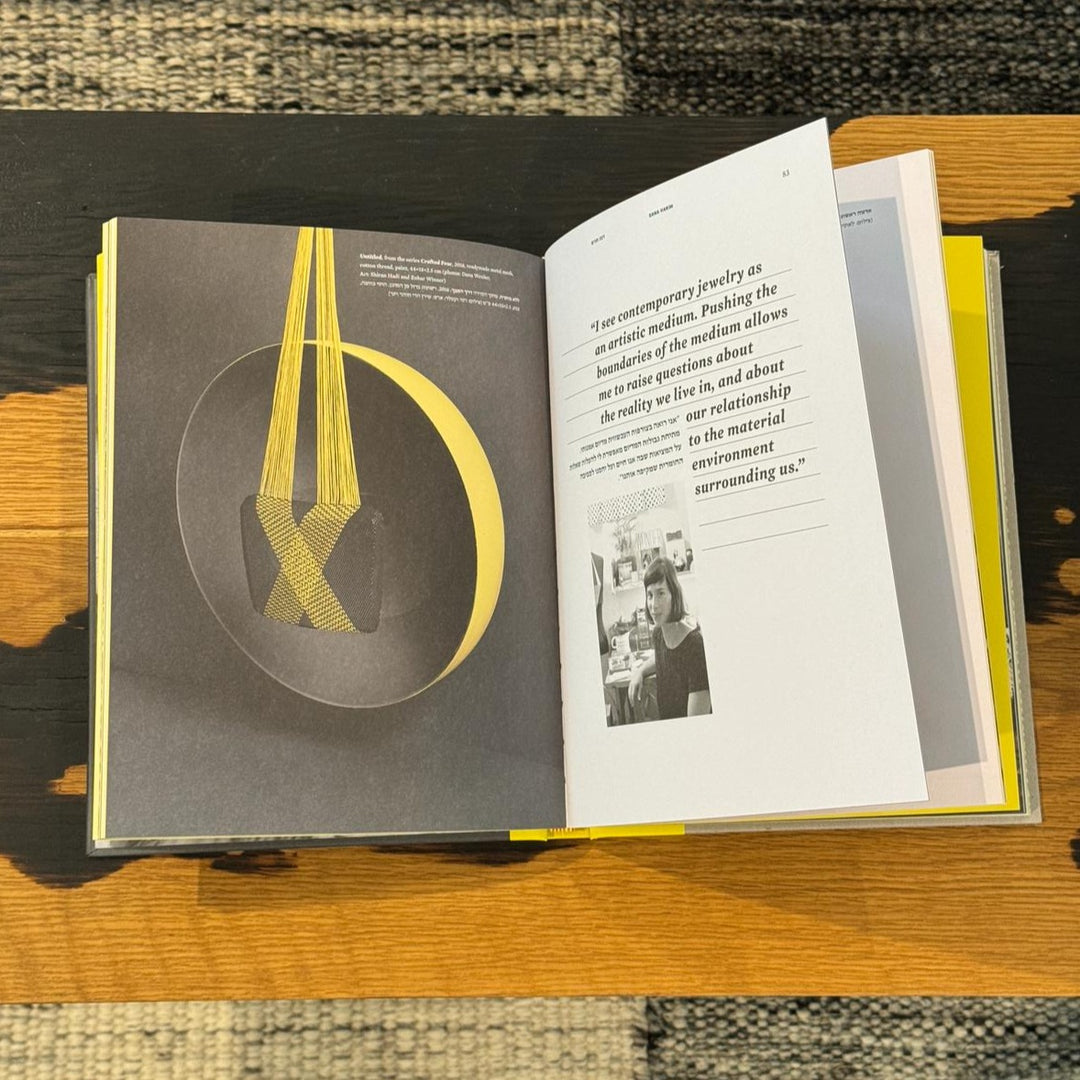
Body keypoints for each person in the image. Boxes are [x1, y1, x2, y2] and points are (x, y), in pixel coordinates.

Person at [628, 556, 711, 720]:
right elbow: (662, 656)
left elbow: (697, 724)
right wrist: (640, 671)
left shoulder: (695, 646)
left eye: (661, 593)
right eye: (650, 595)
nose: (653, 605)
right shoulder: (659, 634)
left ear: (674, 594)